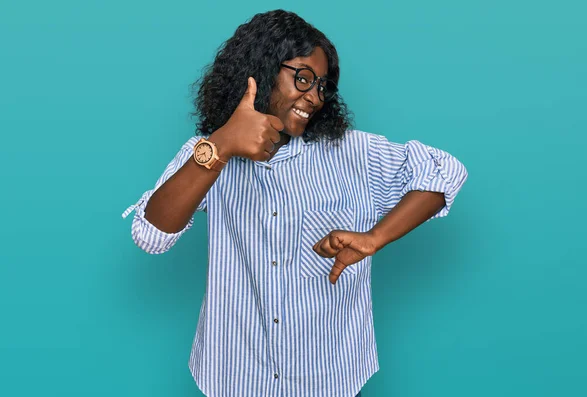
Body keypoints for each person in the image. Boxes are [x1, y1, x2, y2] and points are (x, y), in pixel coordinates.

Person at [122, 9, 468, 397]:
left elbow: (444, 171)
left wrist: (374, 237)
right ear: (263, 69)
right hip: (235, 372)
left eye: (323, 87)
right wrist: (221, 145)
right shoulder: (206, 154)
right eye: (302, 78)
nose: (314, 97)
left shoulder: (352, 153)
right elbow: (151, 236)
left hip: (326, 374)